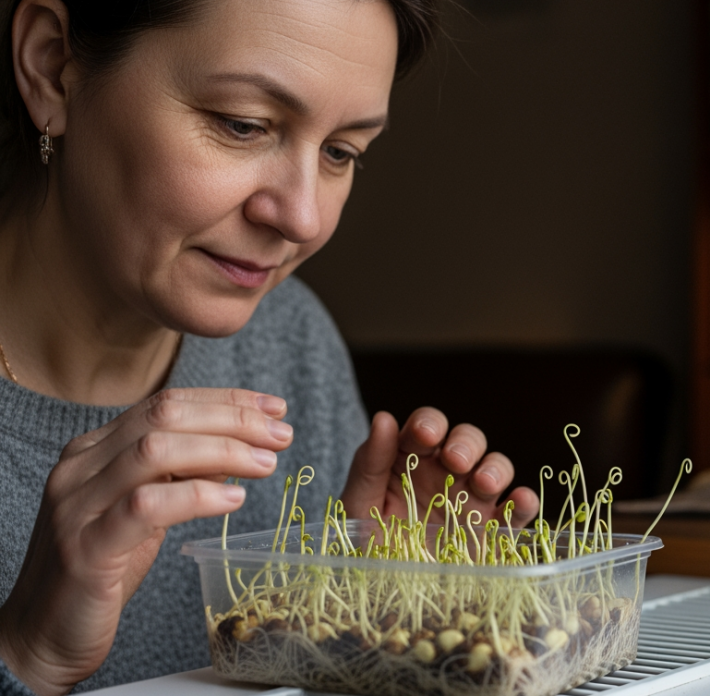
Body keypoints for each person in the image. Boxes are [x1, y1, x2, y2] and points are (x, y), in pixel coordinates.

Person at [0, 1, 540, 693]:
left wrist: (375, 620)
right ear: (52, 68)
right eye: (243, 125)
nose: (302, 217)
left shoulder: (290, 338)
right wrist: (25, 654)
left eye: (341, 152)